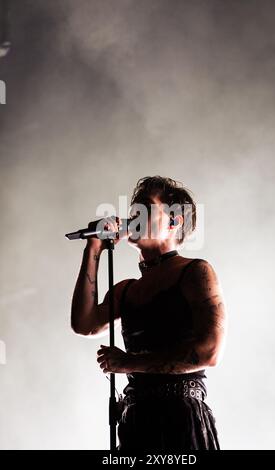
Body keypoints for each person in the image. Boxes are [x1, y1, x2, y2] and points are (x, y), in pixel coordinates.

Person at [71, 175, 227, 451]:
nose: (133, 216)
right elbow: (84, 324)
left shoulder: (195, 272)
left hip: (181, 418)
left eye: (144, 208)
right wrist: (93, 246)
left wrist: (129, 362)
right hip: (136, 421)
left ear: (173, 221)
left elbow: (209, 352)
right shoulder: (126, 290)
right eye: (133, 210)